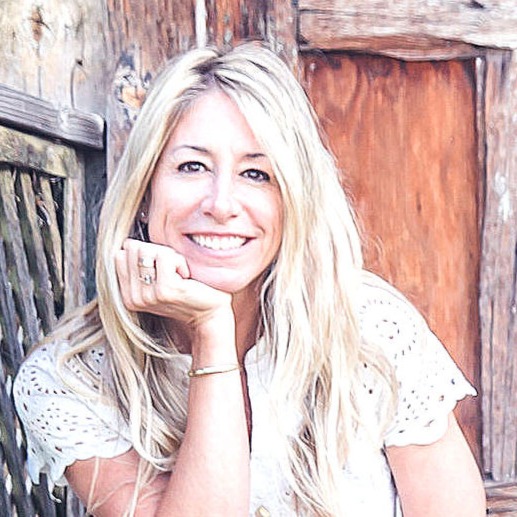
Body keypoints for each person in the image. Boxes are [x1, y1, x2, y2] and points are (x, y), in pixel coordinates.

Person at [13, 42, 485, 516]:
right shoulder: (70, 379)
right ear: (144, 194)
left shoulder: (370, 329)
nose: (221, 204)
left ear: (293, 199)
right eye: (192, 166)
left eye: (256, 173)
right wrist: (211, 335)